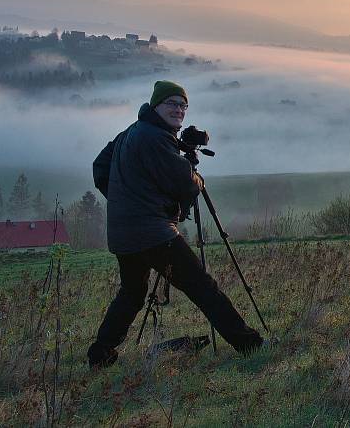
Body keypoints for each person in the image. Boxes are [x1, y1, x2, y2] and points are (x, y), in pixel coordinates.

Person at [87, 80, 264, 368]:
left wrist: (126, 198)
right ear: (156, 105)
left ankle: (101, 354)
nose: (179, 110)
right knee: (202, 287)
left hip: (124, 233)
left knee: (132, 292)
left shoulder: (131, 133)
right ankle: (249, 345)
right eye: (172, 104)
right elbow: (185, 183)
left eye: (183, 105)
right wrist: (194, 172)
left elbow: (100, 168)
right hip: (153, 233)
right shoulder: (155, 137)